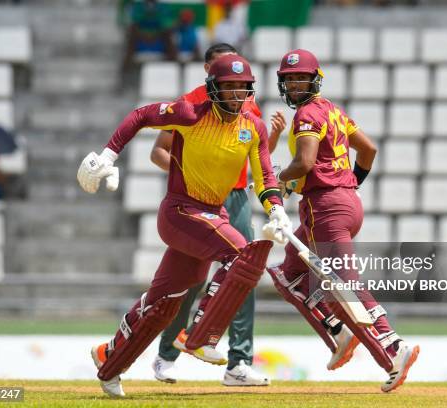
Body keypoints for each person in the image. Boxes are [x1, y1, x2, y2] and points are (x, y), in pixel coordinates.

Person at [77, 54, 291, 397]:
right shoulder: (190, 114)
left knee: (164, 303)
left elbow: (265, 175)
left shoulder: (253, 127)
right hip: (180, 212)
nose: (237, 94)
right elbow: (140, 115)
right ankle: (199, 335)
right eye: (229, 87)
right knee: (243, 255)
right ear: (213, 89)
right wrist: (108, 156)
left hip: (211, 216)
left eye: (242, 88)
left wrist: (276, 209)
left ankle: (109, 361)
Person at [267, 49, 419, 393]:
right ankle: (338, 331)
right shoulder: (333, 110)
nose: (293, 84)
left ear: (314, 80)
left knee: (344, 284)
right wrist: (349, 186)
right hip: (345, 203)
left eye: (300, 78)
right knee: (287, 273)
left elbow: (304, 163)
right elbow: (368, 151)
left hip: (325, 207)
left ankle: (394, 347)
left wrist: (275, 178)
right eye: (289, 79)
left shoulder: (307, 114)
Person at [149, 43, 285, 386]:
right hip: (196, 200)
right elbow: (159, 152)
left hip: (236, 197)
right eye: (223, 69)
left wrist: (275, 136)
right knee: (190, 279)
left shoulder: (246, 103)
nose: (234, 81)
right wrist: (188, 177)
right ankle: (167, 354)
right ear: (209, 71)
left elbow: (256, 155)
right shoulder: (190, 103)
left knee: (245, 275)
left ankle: (238, 363)